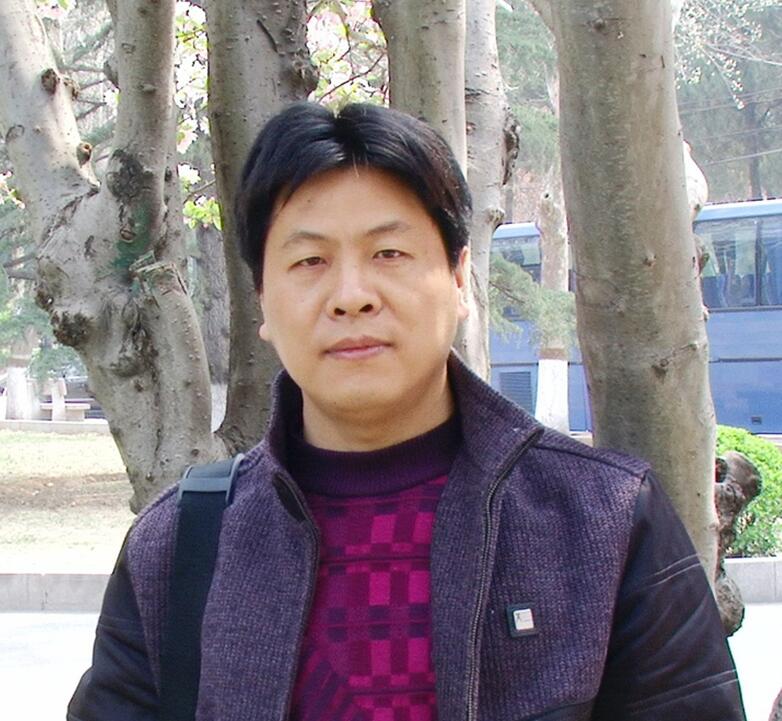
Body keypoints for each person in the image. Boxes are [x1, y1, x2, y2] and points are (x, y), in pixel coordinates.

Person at [68, 102, 745, 721]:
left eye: (388, 253)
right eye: (309, 260)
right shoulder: (182, 548)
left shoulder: (604, 521)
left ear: (458, 278)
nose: (351, 295)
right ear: (263, 301)